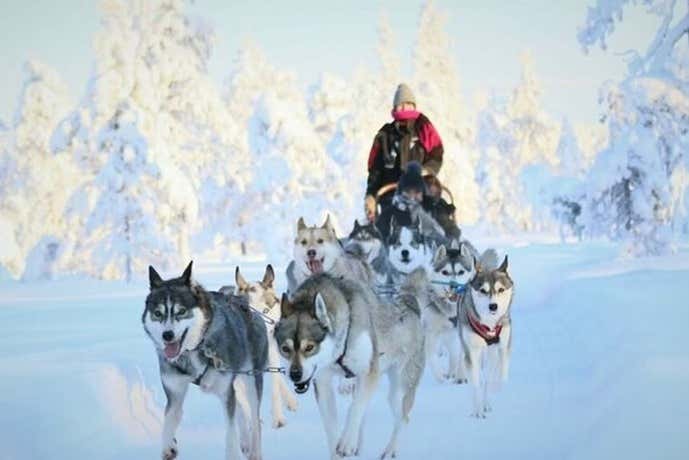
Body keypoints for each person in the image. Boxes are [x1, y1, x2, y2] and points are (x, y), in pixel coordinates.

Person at [364, 83, 444, 222]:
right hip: (391, 195)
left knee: (441, 217)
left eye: (408, 104)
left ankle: (452, 242)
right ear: (394, 107)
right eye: (400, 104)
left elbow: (436, 153)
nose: (404, 107)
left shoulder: (423, 127)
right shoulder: (385, 134)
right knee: (384, 224)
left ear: (413, 106)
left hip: (421, 192)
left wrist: (426, 171)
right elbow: (375, 169)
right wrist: (370, 194)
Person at [376, 162, 446, 243]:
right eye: (409, 192)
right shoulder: (391, 213)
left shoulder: (428, 208)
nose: (413, 196)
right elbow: (378, 236)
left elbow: (441, 232)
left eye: (417, 192)